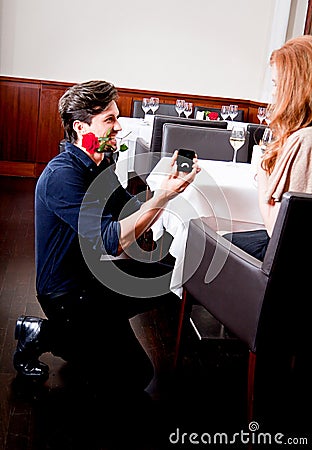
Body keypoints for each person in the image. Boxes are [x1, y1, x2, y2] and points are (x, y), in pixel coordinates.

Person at [13, 80, 200, 396]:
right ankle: (44, 333)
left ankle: (85, 336)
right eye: (109, 120)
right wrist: (163, 197)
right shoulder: (62, 176)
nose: (118, 126)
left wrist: (163, 190)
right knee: (135, 376)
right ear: (80, 127)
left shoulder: (101, 163)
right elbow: (113, 239)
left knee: (174, 277)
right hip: (69, 295)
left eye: (117, 117)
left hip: (99, 277)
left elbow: (128, 214)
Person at [224, 35, 312, 260]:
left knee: (205, 244)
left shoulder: (304, 141)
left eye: (276, 84)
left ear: (294, 87)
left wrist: (262, 170)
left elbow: (277, 230)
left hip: (283, 261)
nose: (273, 93)